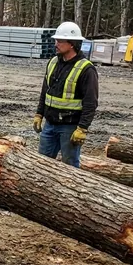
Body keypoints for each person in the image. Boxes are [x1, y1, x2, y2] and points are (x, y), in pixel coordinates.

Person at [34, 21, 99, 168]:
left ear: (72, 44)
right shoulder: (53, 63)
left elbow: (91, 102)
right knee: (41, 165)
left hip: (69, 127)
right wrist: (39, 114)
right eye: (55, 40)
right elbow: (45, 91)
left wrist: (82, 128)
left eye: (60, 41)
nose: (56, 44)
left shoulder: (86, 69)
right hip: (50, 124)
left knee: (69, 167)